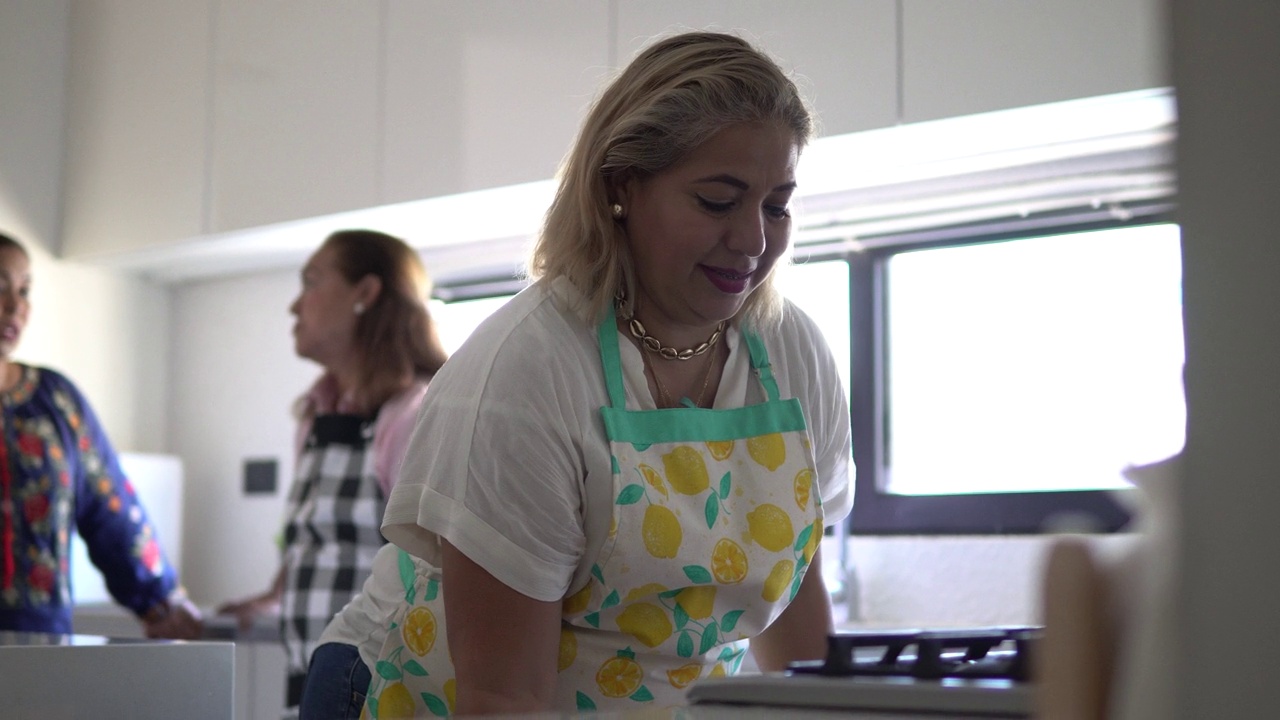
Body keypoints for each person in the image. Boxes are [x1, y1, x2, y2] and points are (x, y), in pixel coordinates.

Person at [313, 31, 854, 718]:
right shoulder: (527, 372)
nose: (753, 240)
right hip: (417, 693)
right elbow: (504, 696)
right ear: (621, 187)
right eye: (718, 201)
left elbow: (795, 617)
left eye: (776, 204)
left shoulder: (790, 354)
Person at [216, 229, 449, 713]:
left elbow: (427, 563)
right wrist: (273, 596)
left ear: (365, 293)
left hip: (381, 682)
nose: (294, 306)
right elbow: (316, 538)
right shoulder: (315, 416)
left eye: (311, 282)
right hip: (312, 671)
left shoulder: (413, 414)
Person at [0, 232, 202, 639]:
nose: (15, 306)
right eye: (0, 286)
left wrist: (160, 600)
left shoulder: (55, 400)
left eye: (24, 290)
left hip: (38, 650)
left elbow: (112, 508)